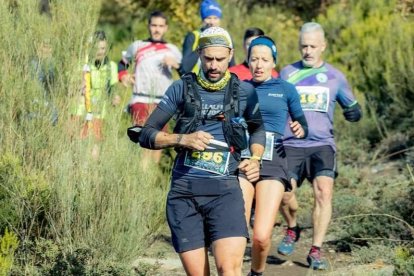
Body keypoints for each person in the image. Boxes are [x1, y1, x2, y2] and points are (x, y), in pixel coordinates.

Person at [138, 27, 266, 276]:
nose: (214, 65)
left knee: (229, 270)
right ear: (199, 54)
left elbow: (258, 128)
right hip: (184, 194)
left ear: (230, 54)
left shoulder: (244, 92)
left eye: (220, 58)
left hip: (225, 193)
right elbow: (146, 134)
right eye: (208, 58)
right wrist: (183, 139)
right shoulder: (181, 89)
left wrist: (256, 157)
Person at [277, 22, 362, 270]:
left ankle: (316, 250)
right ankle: (293, 228)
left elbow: (351, 104)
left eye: (313, 46)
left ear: (323, 46)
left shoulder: (335, 77)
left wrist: (355, 112)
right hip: (291, 144)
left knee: (324, 192)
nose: (308, 51)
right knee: (283, 194)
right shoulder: (286, 73)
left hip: (322, 144)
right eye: (304, 45)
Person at [237, 36, 307, 276]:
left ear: (273, 63)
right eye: (254, 59)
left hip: (274, 160)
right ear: (247, 61)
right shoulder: (240, 88)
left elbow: (302, 122)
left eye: (264, 59)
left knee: (261, 237)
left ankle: (256, 272)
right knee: (237, 231)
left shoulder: (286, 89)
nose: (258, 64)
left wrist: (300, 128)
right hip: (244, 159)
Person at [119, 10, 182, 162]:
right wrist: (123, 76)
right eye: (154, 25)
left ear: (166, 28)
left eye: (160, 26)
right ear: (148, 26)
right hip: (140, 99)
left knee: (158, 144)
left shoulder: (173, 50)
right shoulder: (138, 46)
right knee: (143, 142)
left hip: (164, 103)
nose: (157, 29)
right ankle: (141, 179)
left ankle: (151, 180)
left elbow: (185, 74)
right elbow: (122, 63)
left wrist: (176, 65)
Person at [74, 31, 119, 142]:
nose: (99, 52)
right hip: (80, 111)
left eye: (103, 48)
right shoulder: (82, 64)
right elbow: (71, 87)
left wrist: (115, 98)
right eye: (96, 48)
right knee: (78, 143)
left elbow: (113, 90)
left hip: (99, 113)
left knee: (95, 144)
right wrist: (78, 86)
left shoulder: (112, 66)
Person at [178, 0, 235, 75]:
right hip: (195, 83)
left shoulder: (226, 37)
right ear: (202, 19)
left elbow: (232, 67)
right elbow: (184, 69)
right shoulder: (193, 36)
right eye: (208, 18)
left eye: (215, 18)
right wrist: (203, 45)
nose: (212, 22)